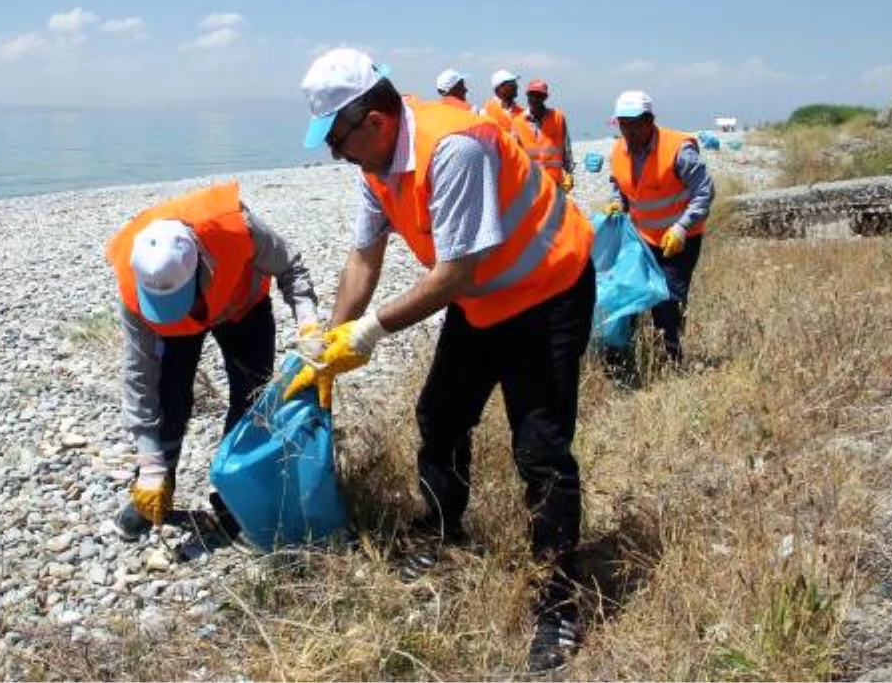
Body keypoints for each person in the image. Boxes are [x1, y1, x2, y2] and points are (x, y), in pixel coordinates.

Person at [291, 48, 596, 672]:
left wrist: (371, 331)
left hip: (547, 290)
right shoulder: (375, 164)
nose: (334, 153)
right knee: (441, 415)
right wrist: (332, 336)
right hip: (486, 299)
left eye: (338, 139)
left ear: (373, 120)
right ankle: (440, 531)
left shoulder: (454, 147)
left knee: (539, 448)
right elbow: (363, 259)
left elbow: (454, 273)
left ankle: (561, 603)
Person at [106, 181, 320, 539]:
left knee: (252, 397)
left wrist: (309, 323)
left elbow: (290, 268)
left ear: (202, 266)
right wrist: (149, 462)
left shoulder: (238, 227)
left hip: (243, 310)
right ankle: (157, 487)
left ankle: (237, 493)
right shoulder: (134, 284)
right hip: (175, 334)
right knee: (168, 398)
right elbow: (138, 378)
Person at [605, 90, 715, 364]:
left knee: (668, 300)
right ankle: (622, 357)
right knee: (628, 292)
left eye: (634, 123)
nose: (628, 130)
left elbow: (705, 191)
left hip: (680, 240)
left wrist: (681, 227)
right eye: (622, 124)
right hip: (642, 238)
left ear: (650, 120)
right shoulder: (618, 149)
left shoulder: (679, 150)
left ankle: (671, 360)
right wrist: (617, 202)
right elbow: (619, 185)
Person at [522, 80, 575, 192]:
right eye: (532, 95)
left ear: (545, 97)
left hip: (554, 180)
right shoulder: (518, 122)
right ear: (527, 96)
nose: (535, 99)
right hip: (529, 181)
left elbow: (566, 146)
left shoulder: (558, 117)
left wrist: (569, 172)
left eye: (539, 96)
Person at [482, 69, 530, 138]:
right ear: (499, 88)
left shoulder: (523, 113)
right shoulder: (485, 112)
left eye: (515, 83)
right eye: (511, 84)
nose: (516, 86)